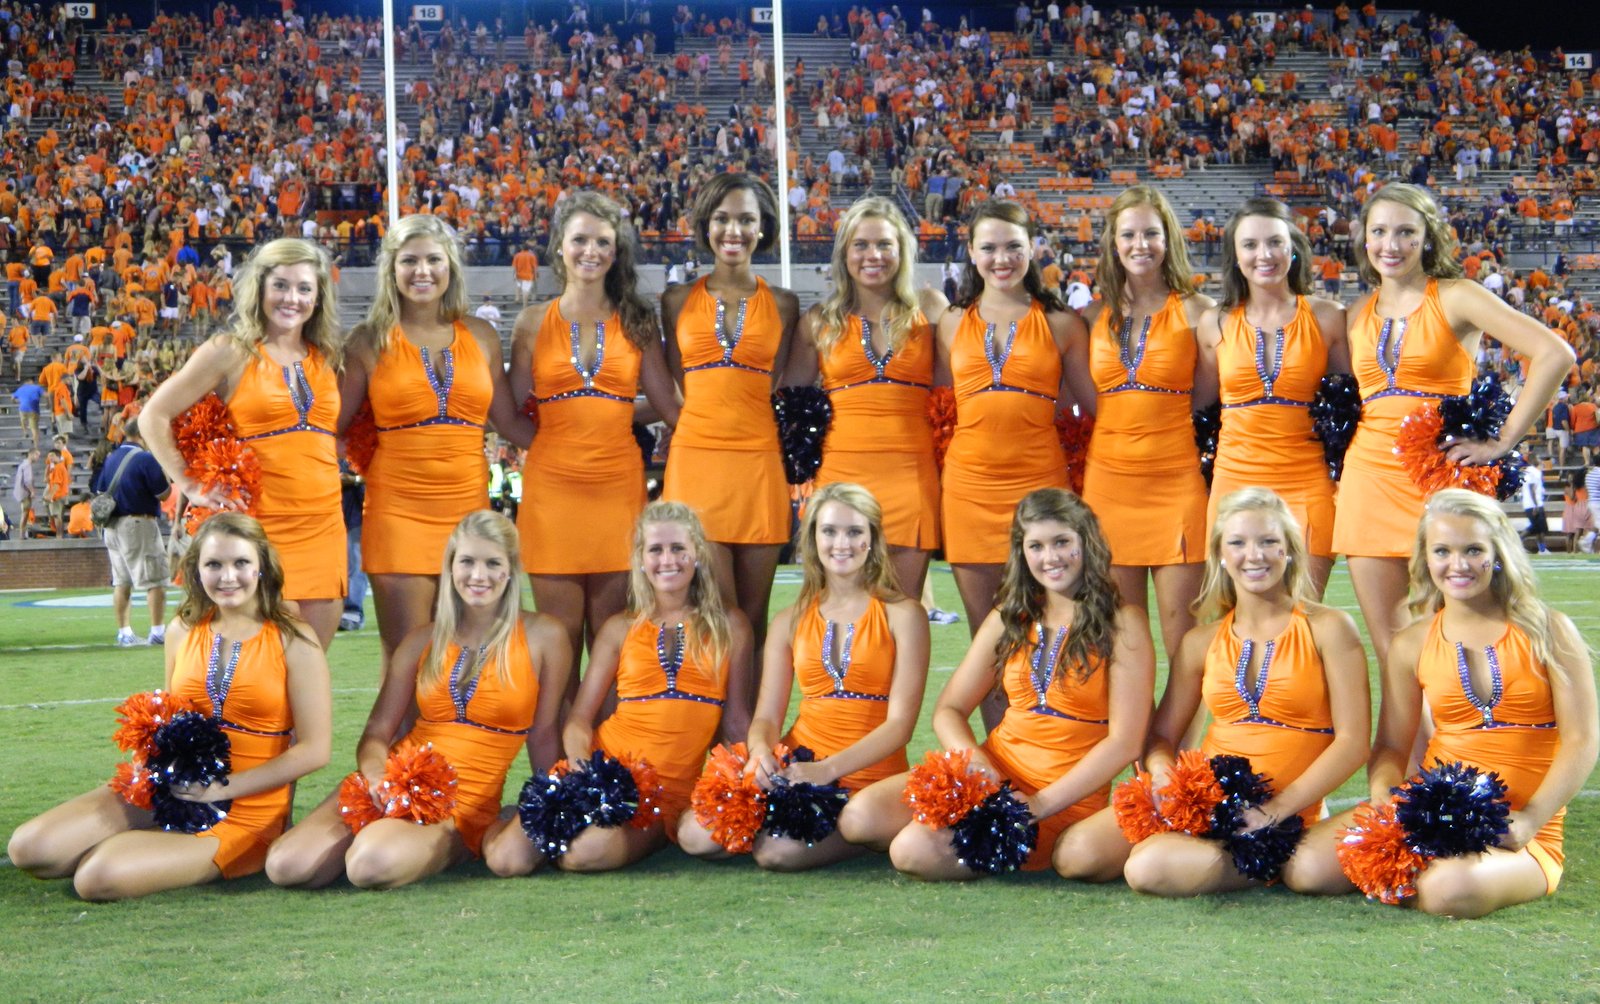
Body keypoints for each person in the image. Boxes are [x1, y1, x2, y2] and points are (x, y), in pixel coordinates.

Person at [1288, 490, 1597, 917]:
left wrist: (1530, 821)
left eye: (1473, 550)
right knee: (1306, 869)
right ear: (1425, 559)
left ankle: (1436, 869)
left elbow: (1582, 740)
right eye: (1443, 551)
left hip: (1520, 827)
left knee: (1448, 891)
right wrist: (1383, 797)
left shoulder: (1550, 631)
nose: (1459, 564)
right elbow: (1392, 747)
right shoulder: (1411, 643)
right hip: (1431, 809)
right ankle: (1426, 857)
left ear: (1498, 553)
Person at [1057, 488, 1370, 891]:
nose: (1253, 555)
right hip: (1204, 799)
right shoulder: (1200, 641)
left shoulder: (1328, 628)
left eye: (1268, 542)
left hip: (1283, 804)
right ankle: (1217, 851)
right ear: (1221, 554)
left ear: (1289, 550)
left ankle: (1261, 852)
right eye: (1238, 543)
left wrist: (1277, 809)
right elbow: (1162, 737)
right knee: (1075, 853)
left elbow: (1354, 742)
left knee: (1148, 867)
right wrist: (1163, 777)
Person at [7, 514, 333, 900]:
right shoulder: (182, 629)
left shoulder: (295, 640)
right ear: (196, 570)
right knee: (30, 848)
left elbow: (315, 750)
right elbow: (171, 717)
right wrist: (152, 767)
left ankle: (188, 848)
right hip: (172, 783)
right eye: (214, 564)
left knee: (97, 877)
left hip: (247, 808)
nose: (228, 576)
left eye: (241, 563)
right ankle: (159, 837)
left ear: (262, 566)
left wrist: (220, 789)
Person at [839, 489, 1155, 879]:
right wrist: (974, 760)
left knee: (913, 850)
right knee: (859, 819)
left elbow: (1125, 742)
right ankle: (975, 834)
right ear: (1022, 553)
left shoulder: (1124, 622)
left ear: (1086, 543)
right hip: (992, 773)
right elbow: (949, 710)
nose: (1050, 557)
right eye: (1036, 546)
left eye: (1062, 542)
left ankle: (1001, 838)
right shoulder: (1010, 615)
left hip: (1065, 794)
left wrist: (1038, 804)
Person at [1329, 184, 1573, 673]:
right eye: (1379, 232)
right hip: (1366, 483)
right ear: (1364, 239)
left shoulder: (1457, 296)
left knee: (1461, 639)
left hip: (1439, 483)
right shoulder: (1355, 313)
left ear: (1428, 237)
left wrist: (1503, 441)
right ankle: (1414, 752)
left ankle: (1468, 744)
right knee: (1394, 652)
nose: (1390, 245)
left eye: (1405, 232)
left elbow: (1555, 354)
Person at [265, 512, 569, 889]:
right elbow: (377, 732)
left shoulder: (545, 636)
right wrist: (377, 777)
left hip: (464, 795)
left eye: (493, 563)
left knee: (368, 865)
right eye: (467, 562)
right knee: (286, 866)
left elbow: (543, 736)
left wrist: (543, 810)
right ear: (451, 567)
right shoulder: (421, 640)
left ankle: (464, 839)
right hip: (393, 777)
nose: (479, 575)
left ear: (510, 570)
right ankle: (390, 834)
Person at [486, 502, 753, 875]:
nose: (667, 560)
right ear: (641, 560)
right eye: (655, 550)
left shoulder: (731, 626)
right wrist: (583, 770)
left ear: (698, 555)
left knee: (584, 855)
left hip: (662, 794)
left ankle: (648, 834)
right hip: (601, 767)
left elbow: (737, 723)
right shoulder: (620, 628)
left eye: (679, 549)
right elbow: (578, 720)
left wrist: (749, 785)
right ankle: (502, 821)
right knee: (506, 861)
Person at [678, 482, 929, 869]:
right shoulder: (789, 620)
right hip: (799, 764)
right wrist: (761, 752)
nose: (840, 543)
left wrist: (827, 770)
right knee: (695, 835)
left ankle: (860, 831)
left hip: (870, 774)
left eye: (854, 532)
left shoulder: (904, 614)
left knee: (779, 851)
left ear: (872, 539)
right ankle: (806, 820)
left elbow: (900, 726)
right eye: (829, 531)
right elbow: (765, 717)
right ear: (812, 538)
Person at [338, 215, 532, 675]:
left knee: (468, 659)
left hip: (471, 515)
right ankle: (404, 751)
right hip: (397, 513)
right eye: (409, 261)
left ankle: (455, 749)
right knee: (407, 660)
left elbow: (508, 422)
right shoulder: (367, 341)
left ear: (451, 267)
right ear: (391, 268)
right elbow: (331, 428)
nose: (421, 271)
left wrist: (600, 433)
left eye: (432, 259)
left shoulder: (481, 336)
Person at [140, 238, 348, 647]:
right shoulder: (229, 351)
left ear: (319, 296)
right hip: (256, 531)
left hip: (324, 527)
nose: (293, 298)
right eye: (281, 286)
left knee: (308, 667)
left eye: (305, 289)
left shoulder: (327, 355)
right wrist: (189, 484)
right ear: (260, 289)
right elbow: (153, 416)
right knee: (252, 674)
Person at [510, 192, 679, 682]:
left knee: (612, 643)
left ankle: (606, 759)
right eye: (579, 239)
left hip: (617, 491)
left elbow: (668, 407)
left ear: (616, 250)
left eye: (602, 242)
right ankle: (557, 761)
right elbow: (504, 411)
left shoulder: (638, 321)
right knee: (558, 646)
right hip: (551, 495)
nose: (591, 250)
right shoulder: (531, 323)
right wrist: (550, 446)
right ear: (559, 247)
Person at [937, 200, 1084, 725]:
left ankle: (1047, 750)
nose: (1002, 258)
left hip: (1041, 495)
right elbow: (934, 403)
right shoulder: (950, 322)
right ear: (972, 254)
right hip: (968, 491)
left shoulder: (1063, 324)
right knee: (987, 640)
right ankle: (1001, 770)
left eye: (1013, 247)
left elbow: (1089, 407)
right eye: (989, 248)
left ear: (1033, 250)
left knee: (1047, 632)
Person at [1072, 184, 1217, 677]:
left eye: (1151, 234)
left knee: (1185, 637)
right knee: (1119, 635)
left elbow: (1208, 394)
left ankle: (1181, 756)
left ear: (1168, 239)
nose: (1140, 245)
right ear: (1113, 242)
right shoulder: (1091, 316)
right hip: (1107, 484)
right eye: (1128, 234)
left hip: (1176, 481)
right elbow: (1088, 401)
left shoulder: (1199, 311)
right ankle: (1132, 748)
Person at [661, 173, 799, 677]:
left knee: (754, 620)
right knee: (713, 614)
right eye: (722, 218)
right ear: (705, 225)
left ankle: (750, 740)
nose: (733, 230)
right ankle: (719, 736)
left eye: (746, 219)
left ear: (763, 229)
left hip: (759, 465)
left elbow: (776, 387)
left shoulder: (784, 304)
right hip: (696, 465)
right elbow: (680, 385)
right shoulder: (675, 300)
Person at [785, 197, 949, 597]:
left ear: (902, 251)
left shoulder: (931, 308)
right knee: (838, 611)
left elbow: (949, 399)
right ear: (844, 253)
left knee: (904, 609)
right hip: (839, 476)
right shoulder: (819, 320)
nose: (872, 255)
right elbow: (789, 406)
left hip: (912, 474)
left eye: (884, 245)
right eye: (861, 245)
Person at [1198, 198, 1349, 596]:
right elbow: (1198, 407)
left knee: (1301, 615)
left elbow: (1353, 404)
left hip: (1308, 481)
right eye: (1249, 245)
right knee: (1239, 615)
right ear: (1235, 254)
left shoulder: (1328, 316)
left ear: (1293, 247)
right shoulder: (1213, 322)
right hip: (1233, 480)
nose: (1263, 255)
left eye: (1275, 243)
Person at [93, 420, 173, 646]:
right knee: (155, 579)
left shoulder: (111, 458)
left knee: (121, 581)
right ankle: (157, 631)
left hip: (112, 525)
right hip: (138, 524)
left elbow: (100, 491)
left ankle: (124, 632)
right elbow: (164, 493)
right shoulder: (145, 458)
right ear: (143, 433)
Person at [1521, 457, 1550, 553]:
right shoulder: (1534, 472)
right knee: (1536, 528)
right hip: (1534, 504)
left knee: (1539, 529)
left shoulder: (1531, 471)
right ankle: (1517, 541)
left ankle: (1542, 549)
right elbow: (1531, 488)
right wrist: (1536, 505)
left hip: (1532, 503)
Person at [1561, 469, 1592, 554]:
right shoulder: (1581, 485)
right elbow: (1572, 497)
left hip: (1577, 507)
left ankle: (1575, 551)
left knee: (1577, 532)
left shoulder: (1576, 485)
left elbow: (1574, 498)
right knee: (1580, 532)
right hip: (1583, 506)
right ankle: (1577, 551)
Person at [10, 446, 37, 539]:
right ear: (31, 454)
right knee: (25, 513)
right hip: (24, 493)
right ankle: (21, 535)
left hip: (22, 492)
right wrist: (32, 491)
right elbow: (27, 481)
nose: (38, 457)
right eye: (37, 455)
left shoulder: (24, 464)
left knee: (25, 513)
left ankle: (22, 534)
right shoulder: (27, 465)